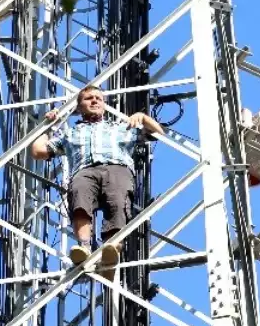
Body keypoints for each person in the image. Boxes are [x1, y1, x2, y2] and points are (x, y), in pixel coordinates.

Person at [31, 85, 165, 272]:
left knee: (118, 202)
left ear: (103, 105)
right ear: (78, 108)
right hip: (84, 170)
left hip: (117, 168)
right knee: (79, 200)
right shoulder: (69, 133)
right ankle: (84, 247)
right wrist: (46, 127)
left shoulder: (121, 127)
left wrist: (143, 118)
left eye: (98, 98)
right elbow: (38, 151)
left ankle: (112, 248)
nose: (94, 100)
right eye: (88, 98)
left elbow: (159, 133)